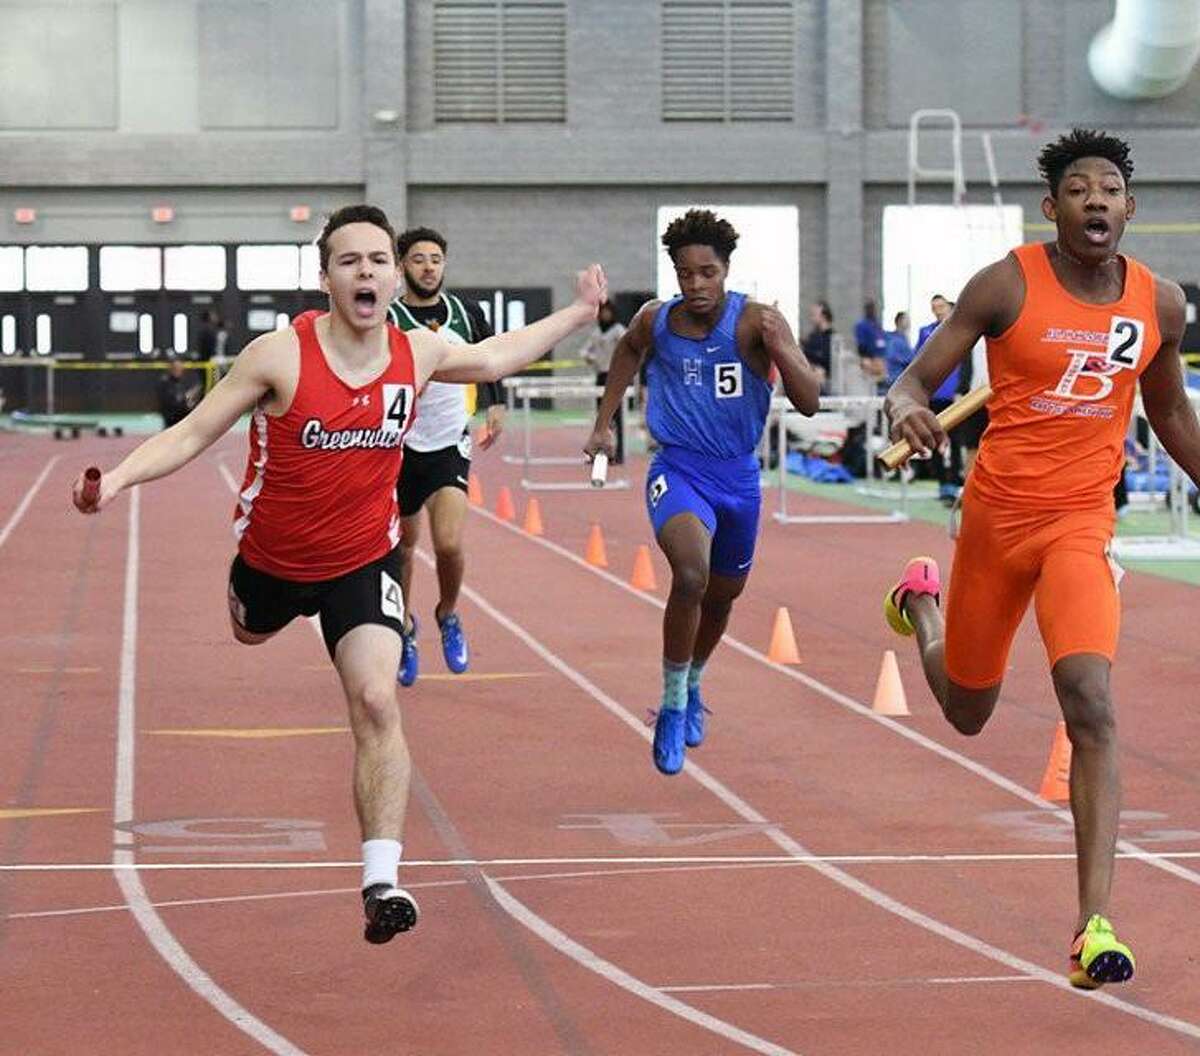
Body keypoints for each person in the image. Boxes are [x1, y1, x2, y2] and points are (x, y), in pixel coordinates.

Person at [73, 204, 606, 944]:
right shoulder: (278, 357)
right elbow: (194, 431)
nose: (367, 272)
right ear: (324, 278)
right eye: (349, 261)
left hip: (361, 560)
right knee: (250, 634)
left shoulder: (415, 352)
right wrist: (119, 481)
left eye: (378, 260)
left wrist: (580, 313)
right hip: (271, 563)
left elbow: (494, 358)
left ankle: (381, 881)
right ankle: (259, 606)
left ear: (393, 277)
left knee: (377, 700)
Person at [883, 129, 1198, 989]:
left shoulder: (1158, 305)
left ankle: (1093, 924)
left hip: (1078, 526)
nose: (1095, 201)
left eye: (1109, 190)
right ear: (1051, 208)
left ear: (1130, 209)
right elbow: (913, 383)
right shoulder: (1006, 285)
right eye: (1078, 190)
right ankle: (922, 607)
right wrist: (907, 408)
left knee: (1089, 701)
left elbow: (1168, 413)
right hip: (994, 524)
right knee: (966, 711)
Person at [584, 209, 821, 775]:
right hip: (678, 468)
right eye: (685, 274)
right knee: (691, 574)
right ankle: (668, 707)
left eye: (707, 273)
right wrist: (603, 422)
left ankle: (692, 682)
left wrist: (780, 347)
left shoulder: (756, 321)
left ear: (726, 271)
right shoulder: (654, 321)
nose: (696, 286)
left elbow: (810, 400)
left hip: (738, 477)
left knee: (722, 595)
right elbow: (625, 354)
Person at [387, 226, 506, 687]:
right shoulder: (389, 318)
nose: (428, 267)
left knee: (450, 544)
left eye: (435, 258)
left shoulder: (466, 312)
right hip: (399, 448)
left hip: (449, 442)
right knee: (401, 550)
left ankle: (448, 612)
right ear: (402, 268)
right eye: (418, 259)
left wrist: (495, 403)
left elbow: (491, 357)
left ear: (445, 264)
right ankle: (403, 628)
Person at [915, 294, 964, 502]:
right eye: (935, 306)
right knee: (933, 439)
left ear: (949, 307)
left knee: (955, 440)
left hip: (954, 395)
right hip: (934, 393)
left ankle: (954, 482)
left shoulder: (961, 330)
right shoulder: (926, 332)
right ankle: (942, 484)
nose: (938, 310)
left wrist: (962, 389)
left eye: (941, 306)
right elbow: (917, 360)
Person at [581, 301, 628, 463]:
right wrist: (593, 359)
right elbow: (585, 350)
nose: (605, 315)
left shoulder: (618, 330)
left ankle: (619, 453)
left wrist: (620, 363)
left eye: (608, 312)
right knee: (602, 416)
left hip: (615, 376)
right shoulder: (597, 332)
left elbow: (628, 348)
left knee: (617, 417)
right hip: (601, 375)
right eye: (602, 312)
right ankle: (599, 452)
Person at [156, 357, 200, 428]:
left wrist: (190, 401)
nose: (178, 370)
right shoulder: (165, 382)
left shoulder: (184, 381)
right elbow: (168, 402)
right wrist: (185, 398)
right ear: (171, 369)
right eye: (175, 368)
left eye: (180, 368)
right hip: (171, 418)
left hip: (184, 417)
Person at [854, 299, 887, 391]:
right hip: (868, 358)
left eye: (872, 308)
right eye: (869, 308)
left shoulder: (877, 326)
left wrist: (881, 359)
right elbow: (861, 344)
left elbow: (882, 342)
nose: (871, 311)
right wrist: (866, 358)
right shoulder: (861, 325)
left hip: (879, 358)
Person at [801, 300, 834, 392]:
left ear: (823, 316)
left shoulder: (832, 338)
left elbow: (830, 361)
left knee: (819, 373)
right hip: (809, 370)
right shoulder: (812, 337)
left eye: (814, 314)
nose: (811, 317)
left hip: (825, 375)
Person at [884, 310, 914, 386]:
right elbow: (891, 355)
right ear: (899, 321)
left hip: (903, 379)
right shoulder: (891, 338)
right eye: (906, 320)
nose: (909, 323)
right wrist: (908, 360)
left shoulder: (904, 339)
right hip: (894, 378)